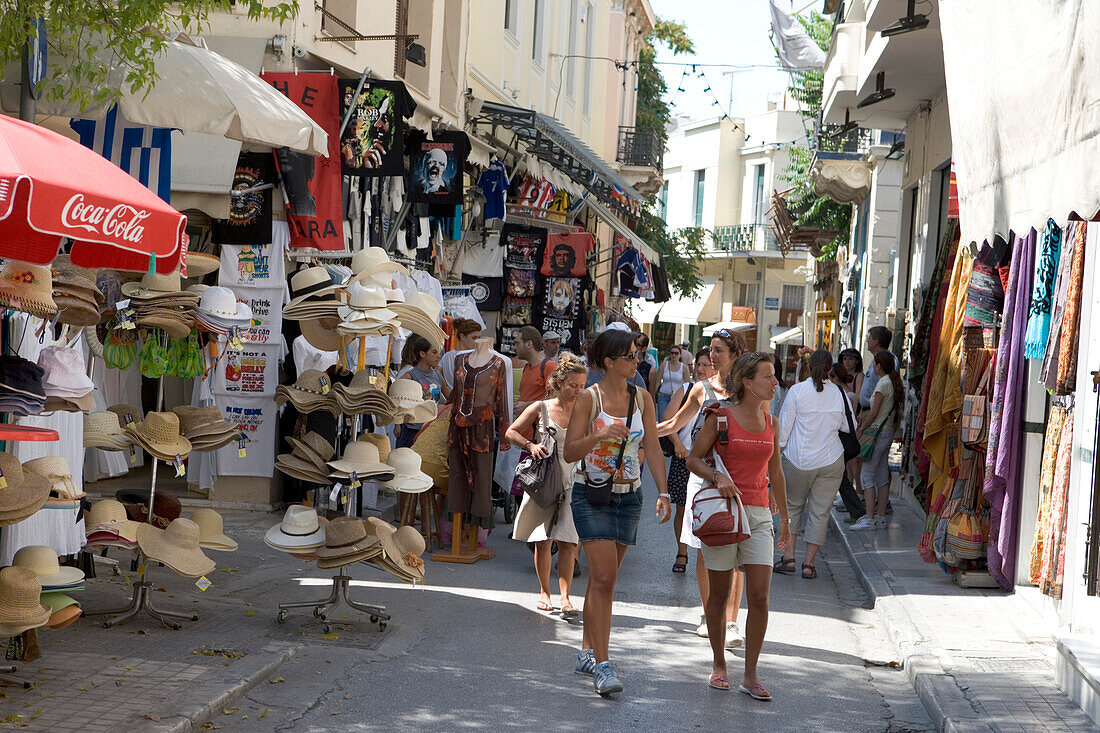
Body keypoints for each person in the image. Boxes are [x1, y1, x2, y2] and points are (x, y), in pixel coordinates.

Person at [564, 329, 671, 696]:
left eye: (636, 355)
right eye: (629, 356)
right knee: (606, 580)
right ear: (609, 362)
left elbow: (654, 448)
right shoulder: (588, 399)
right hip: (591, 496)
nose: (636, 360)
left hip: (630, 497)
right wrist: (600, 434)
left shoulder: (642, 398)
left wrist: (664, 493)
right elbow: (569, 451)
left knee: (600, 581)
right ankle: (603, 667)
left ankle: (585, 651)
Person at [686, 351, 790, 699]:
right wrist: (716, 476)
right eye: (768, 376)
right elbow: (692, 458)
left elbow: (776, 472)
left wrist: (786, 520)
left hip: (759, 515)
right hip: (724, 514)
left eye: (774, 376)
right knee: (718, 594)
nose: (775, 382)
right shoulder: (721, 418)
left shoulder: (771, 422)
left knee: (759, 596)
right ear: (748, 382)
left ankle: (750, 673)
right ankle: (719, 664)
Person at [657, 330, 747, 647]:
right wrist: (639, 432)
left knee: (735, 550)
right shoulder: (701, 389)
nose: (713, 356)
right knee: (703, 548)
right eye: (712, 351)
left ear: (735, 354)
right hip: (703, 473)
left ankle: (732, 622)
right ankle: (710, 616)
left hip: (737, 476)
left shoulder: (748, 389)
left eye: (719, 351)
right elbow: (671, 425)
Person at [507, 355, 587, 616]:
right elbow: (511, 431)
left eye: (582, 385)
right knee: (543, 540)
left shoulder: (585, 409)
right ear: (559, 382)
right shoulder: (540, 407)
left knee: (568, 542)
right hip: (545, 480)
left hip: (574, 479)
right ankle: (544, 591)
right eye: (573, 384)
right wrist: (530, 445)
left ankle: (565, 598)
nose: (578, 390)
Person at [774, 350, 847, 580]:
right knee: (820, 512)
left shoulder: (797, 391)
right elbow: (848, 426)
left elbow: (783, 431)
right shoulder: (839, 393)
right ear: (830, 369)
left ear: (807, 367)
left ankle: (789, 558)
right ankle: (809, 564)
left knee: (793, 507)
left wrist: (776, 456)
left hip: (799, 459)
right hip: (831, 460)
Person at [663, 347, 713, 574]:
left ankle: (706, 554)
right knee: (683, 509)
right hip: (684, 457)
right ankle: (681, 552)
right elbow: (668, 421)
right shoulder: (687, 389)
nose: (700, 369)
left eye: (705, 365)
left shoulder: (721, 394)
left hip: (709, 462)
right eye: (698, 365)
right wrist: (678, 444)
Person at [852, 351, 902, 530]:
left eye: (874, 363)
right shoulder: (892, 382)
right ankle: (879, 516)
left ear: (879, 365)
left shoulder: (883, 384)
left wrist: (862, 428)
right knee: (881, 475)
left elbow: (873, 413)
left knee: (867, 475)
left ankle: (870, 517)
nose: (872, 367)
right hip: (886, 432)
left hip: (877, 433)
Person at [395, 335, 446, 448]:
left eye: (439, 353)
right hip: (412, 430)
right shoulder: (410, 375)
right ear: (422, 354)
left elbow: (450, 397)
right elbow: (396, 398)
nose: (438, 356)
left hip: (431, 429)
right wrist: (398, 423)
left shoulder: (437, 376)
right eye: (434, 352)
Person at [515, 326, 556, 416]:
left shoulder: (549, 366)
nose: (515, 348)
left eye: (518, 344)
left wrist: (526, 406)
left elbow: (555, 398)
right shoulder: (527, 367)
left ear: (529, 344)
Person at [440, 318, 483, 392]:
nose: (477, 341)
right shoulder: (473, 356)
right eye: (474, 338)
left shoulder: (446, 356)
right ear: (462, 336)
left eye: (479, 338)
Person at [859, 326, 893, 413]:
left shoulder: (886, 360)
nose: (867, 340)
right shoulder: (875, 358)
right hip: (867, 410)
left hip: (875, 412)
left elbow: (883, 388)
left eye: (869, 337)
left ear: (875, 341)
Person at [650, 344, 687, 418]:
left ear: (680, 355)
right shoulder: (664, 365)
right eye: (672, 353)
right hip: (663, 396)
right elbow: (658, 381)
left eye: (676, 353)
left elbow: (687, 384)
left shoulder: (684, 367)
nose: (674, 355)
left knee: (674, 420)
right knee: (662, 418)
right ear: (669, 355)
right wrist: (653, 395)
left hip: (677, 398)